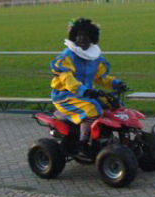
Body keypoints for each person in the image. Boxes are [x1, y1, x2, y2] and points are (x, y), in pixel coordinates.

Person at [50, 18, 126, 150]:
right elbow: (66, 78)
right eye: (78, 35)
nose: (81, 39)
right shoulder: (67, 56)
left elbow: (101, 78)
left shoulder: (94, 57)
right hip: (66, 95)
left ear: (92, 38)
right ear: (74, 36)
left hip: (87, 94)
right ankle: (84, 142)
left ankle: (108, 135)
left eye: (85, 36)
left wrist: (116, 83)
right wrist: (83, 90)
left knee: (114, 104)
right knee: (93, 108)